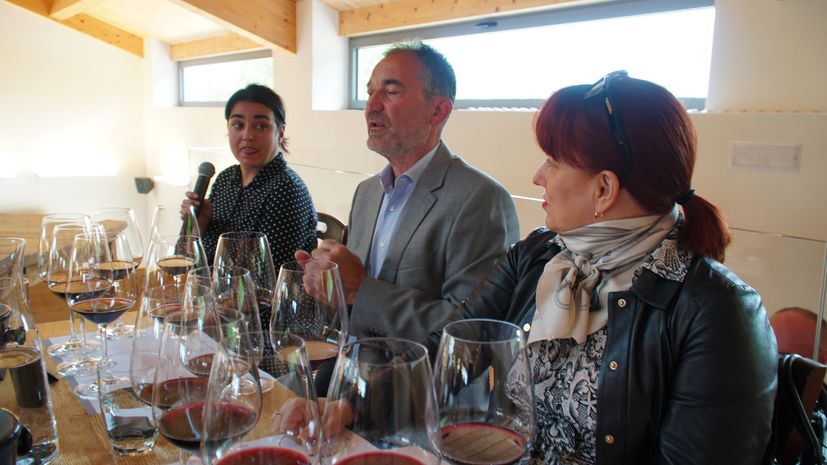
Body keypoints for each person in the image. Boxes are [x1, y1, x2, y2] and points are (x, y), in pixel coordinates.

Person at [447, 72, 778, 464]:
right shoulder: (538, 256)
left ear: (603, 189)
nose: (538, 177)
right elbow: (456, 349)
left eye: (553, 162)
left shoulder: (717, 310)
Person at [296, 42, 520, 344]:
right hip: (347, 365)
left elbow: (473, 332)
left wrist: (359, 290)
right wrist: (323, 287)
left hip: (417, 375)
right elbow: (349, 307)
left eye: (390, 92)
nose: (371, 106)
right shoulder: (366, 193)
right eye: (370, 92)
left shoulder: (480, 199)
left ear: (438, 110)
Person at [182, 84, 318, 265]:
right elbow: (186, 259)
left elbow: (267, 273)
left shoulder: (287, 189)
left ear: (280, 132)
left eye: (260, 126)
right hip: (216, 283)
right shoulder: (225, 179)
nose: (247, 135)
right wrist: (198, 227)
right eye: (238, 125)